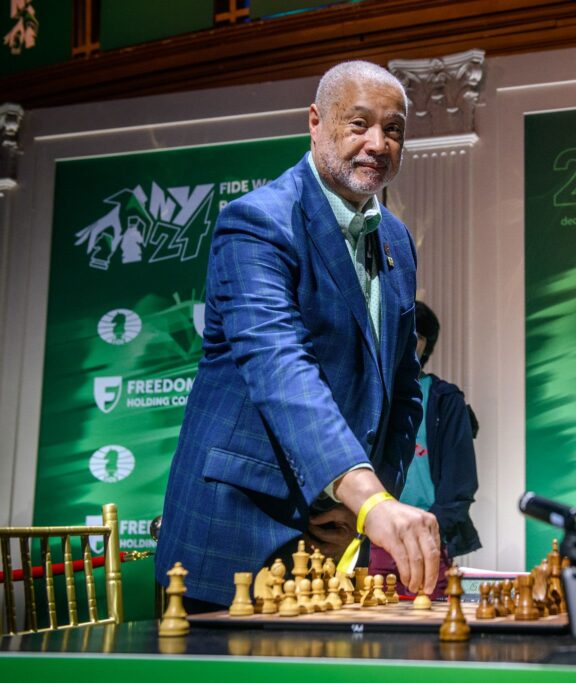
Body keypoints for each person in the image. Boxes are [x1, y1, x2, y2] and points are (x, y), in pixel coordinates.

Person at [154, 60, 440, 608]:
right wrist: (368, 499)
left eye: (394, 129)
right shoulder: (257, 221)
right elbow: (281, 370)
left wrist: (367, 499)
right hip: (235, 535)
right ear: (315, 121)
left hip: (334, 530)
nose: (378, 143)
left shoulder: (398, 242)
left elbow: (404, 389)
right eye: (359, 124)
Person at [369, 301, 482, 597]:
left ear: (426, 344)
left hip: (429, 537)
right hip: (376, 538)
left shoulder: (446, 399)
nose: (409, 341)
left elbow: (461, 480)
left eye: (417, 335)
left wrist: (436, 530)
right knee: (371, 634)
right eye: (402, 332)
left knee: (431, 636)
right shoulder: (372, 393)